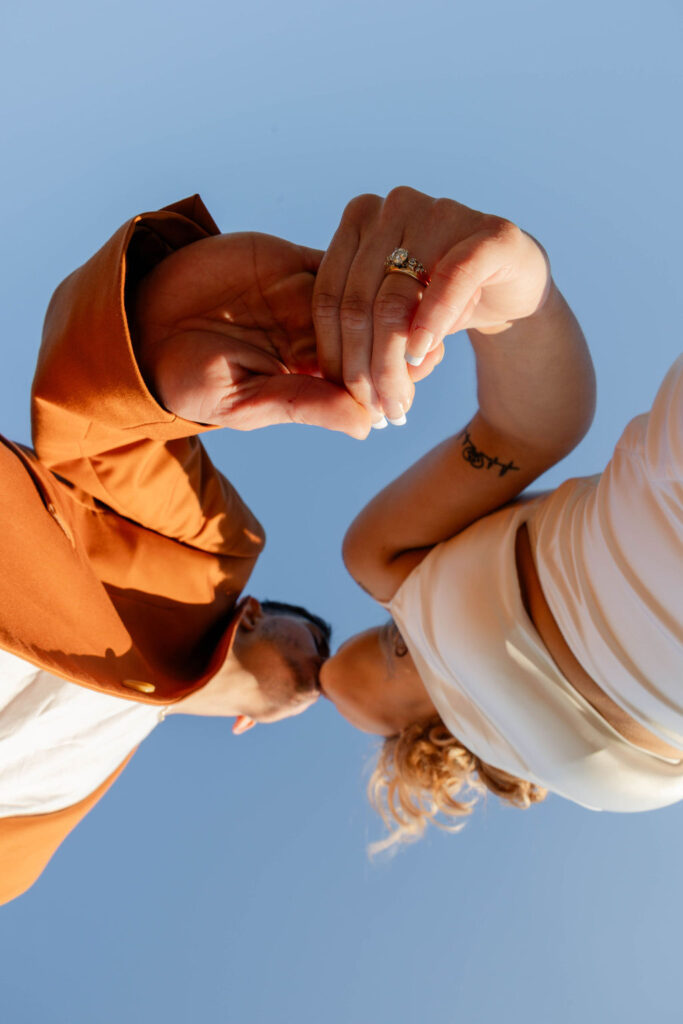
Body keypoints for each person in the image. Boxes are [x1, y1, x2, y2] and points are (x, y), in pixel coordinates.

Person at [0, 194, 383, 905]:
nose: (324, 662)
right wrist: (152, 343)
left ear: (248, 726)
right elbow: (105, 438)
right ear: (255, 613)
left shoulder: (46, 820)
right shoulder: (210, 556)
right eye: (319, 638)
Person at [315, 188, 683, 849]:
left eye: (400, 640)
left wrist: (518, 303)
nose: (403, 636)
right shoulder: (554, 781)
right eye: (399, 646)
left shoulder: (388, 567)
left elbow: (524, 431)